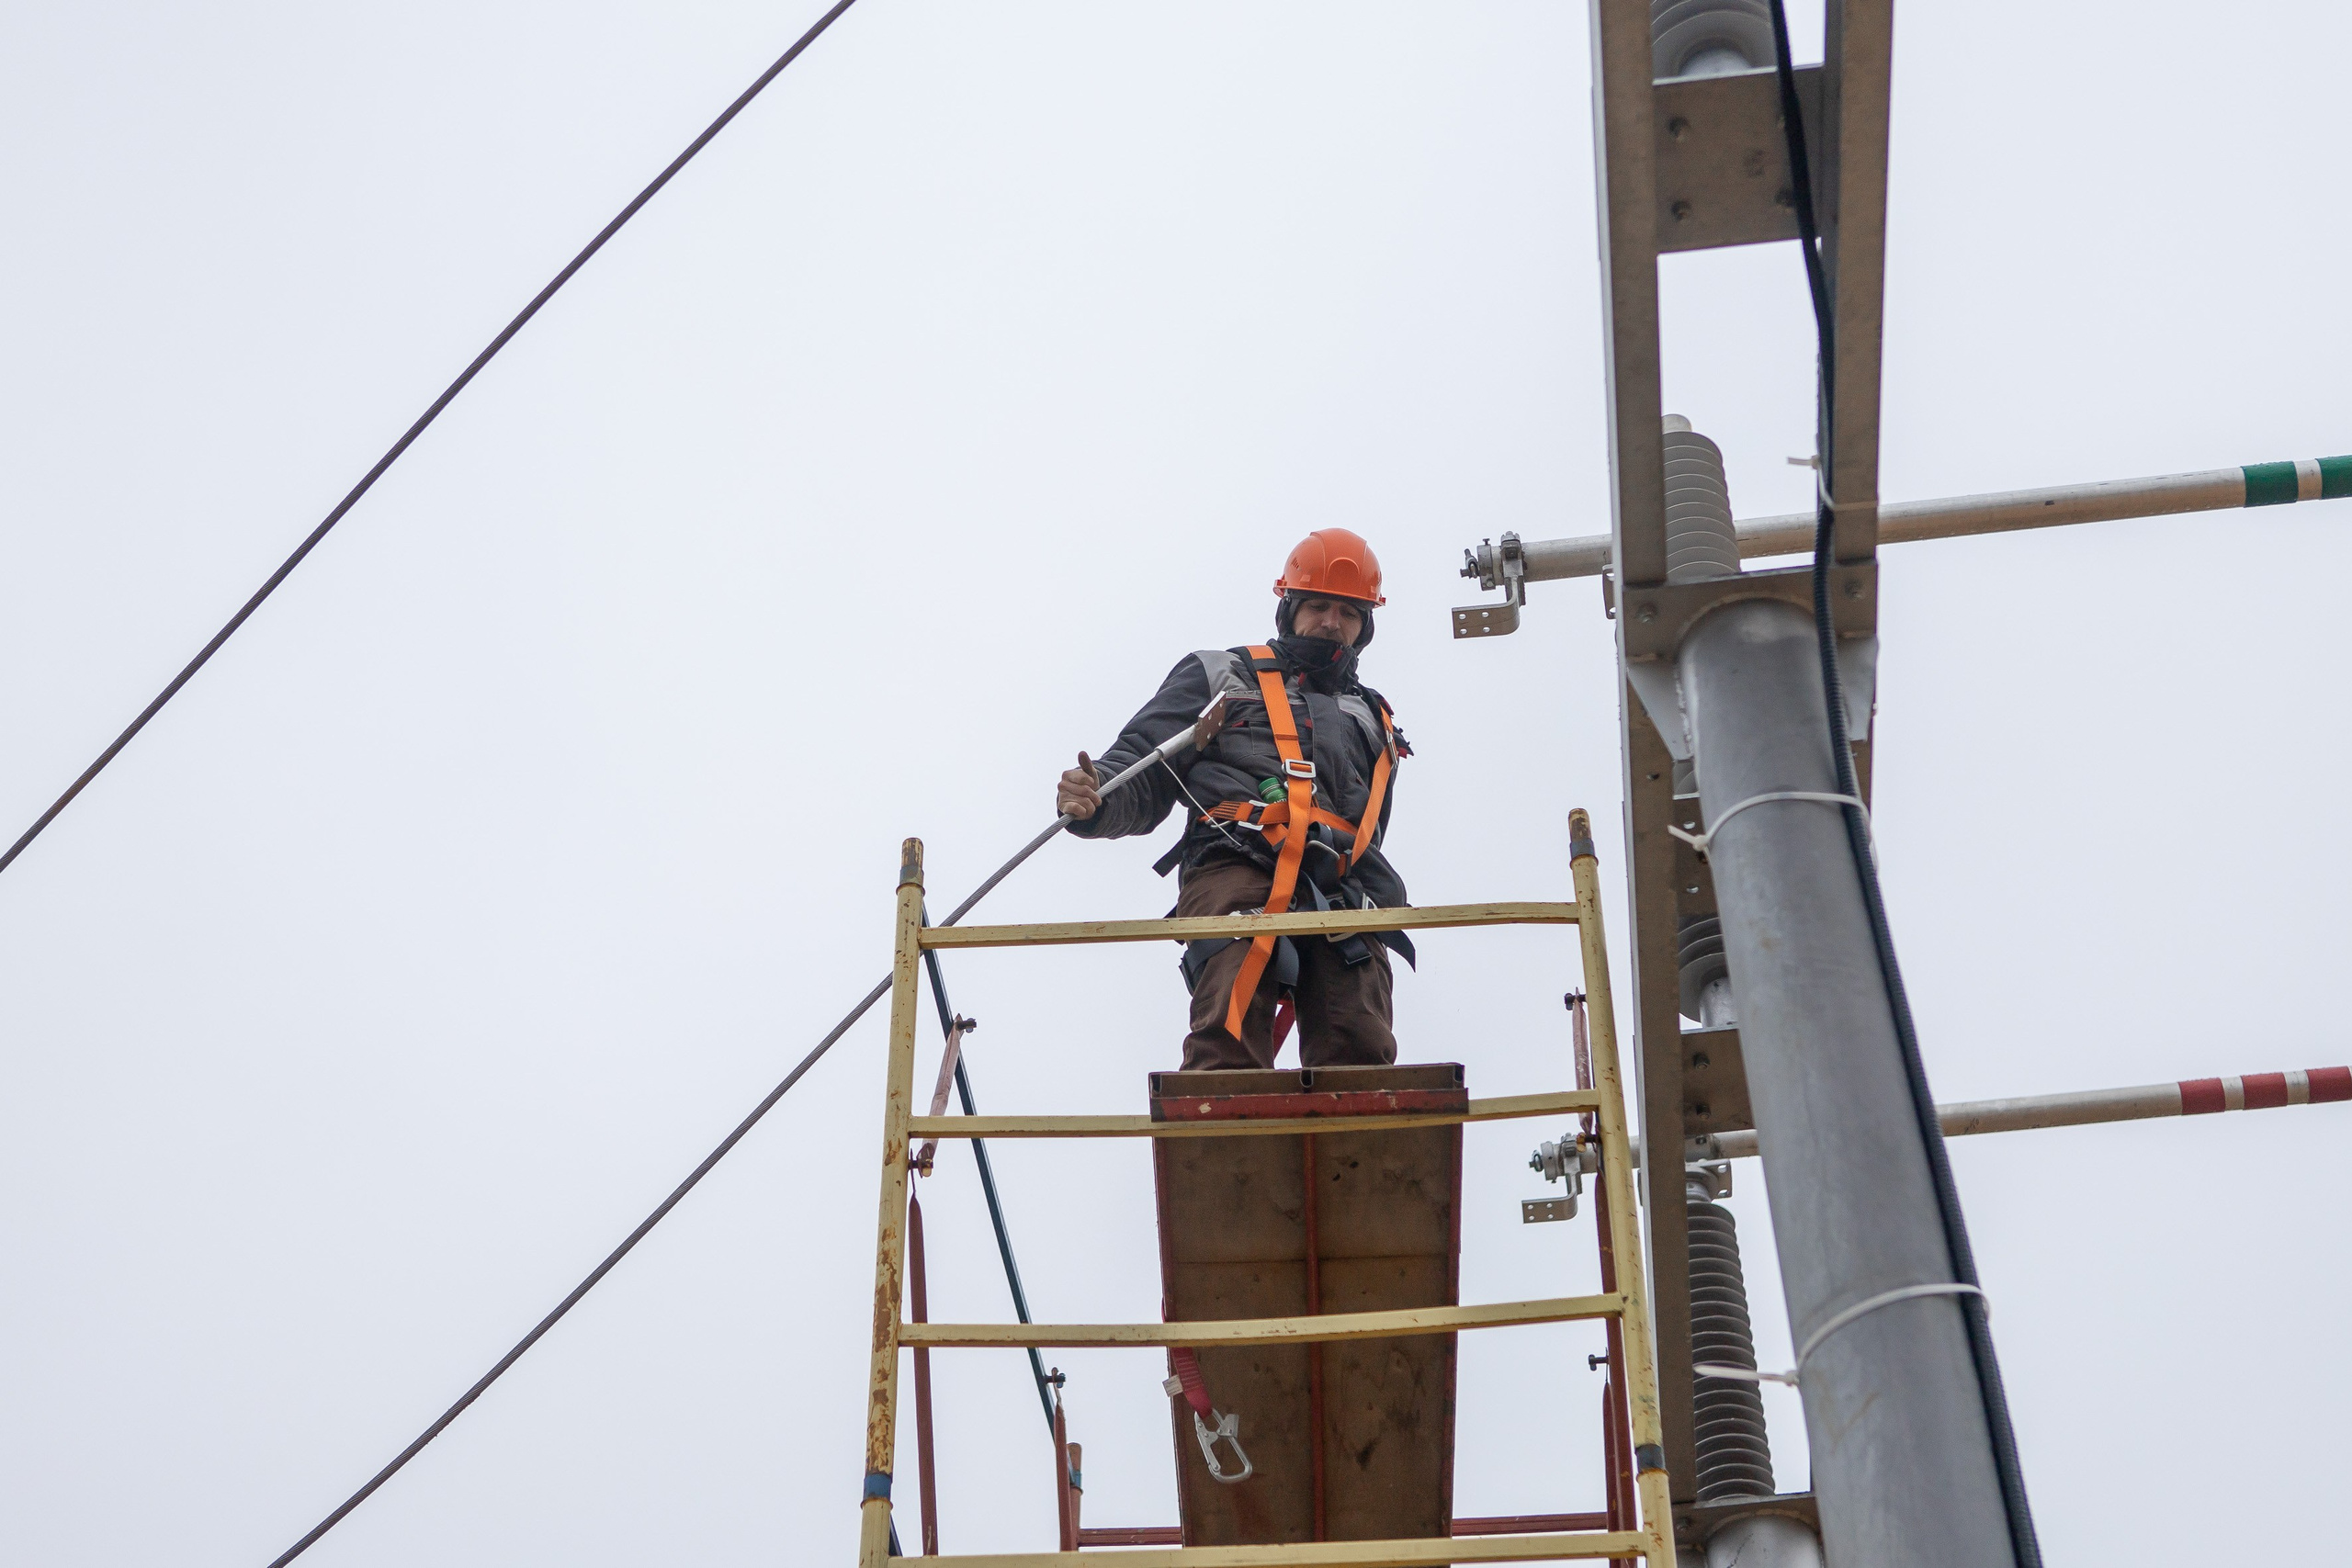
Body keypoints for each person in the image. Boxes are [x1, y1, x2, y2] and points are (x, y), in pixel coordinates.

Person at [1057, 529, 1412, 1071]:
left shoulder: (1373, 716)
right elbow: (1143, 761)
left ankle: (1356, 1144)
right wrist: (1098, 795)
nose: (1331, 622)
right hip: (1235, 858)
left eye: (1348, 612)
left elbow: (1370, 821)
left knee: (1358, 1035)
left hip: (1341, 880)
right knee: (1232, 1009)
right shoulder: (1222, 673)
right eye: (1317, 605)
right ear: (1289, 609)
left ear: (1366, 626)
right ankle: (1223, 1130)